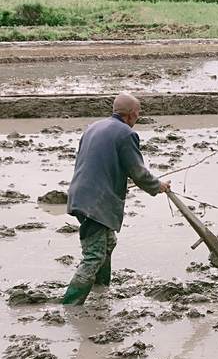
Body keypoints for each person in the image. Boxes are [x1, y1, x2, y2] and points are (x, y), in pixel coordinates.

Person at [62, 92, 170, 305]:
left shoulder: (93, 128)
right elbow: (138, 172)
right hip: (97, 201)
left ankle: (101, 289)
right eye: (137, 115)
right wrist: (159, 186)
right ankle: (70, 306)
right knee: (93, 255)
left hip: (80, 195)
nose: (136, 120)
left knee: (107, 243)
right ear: (131, 115)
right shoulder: (125, 134)